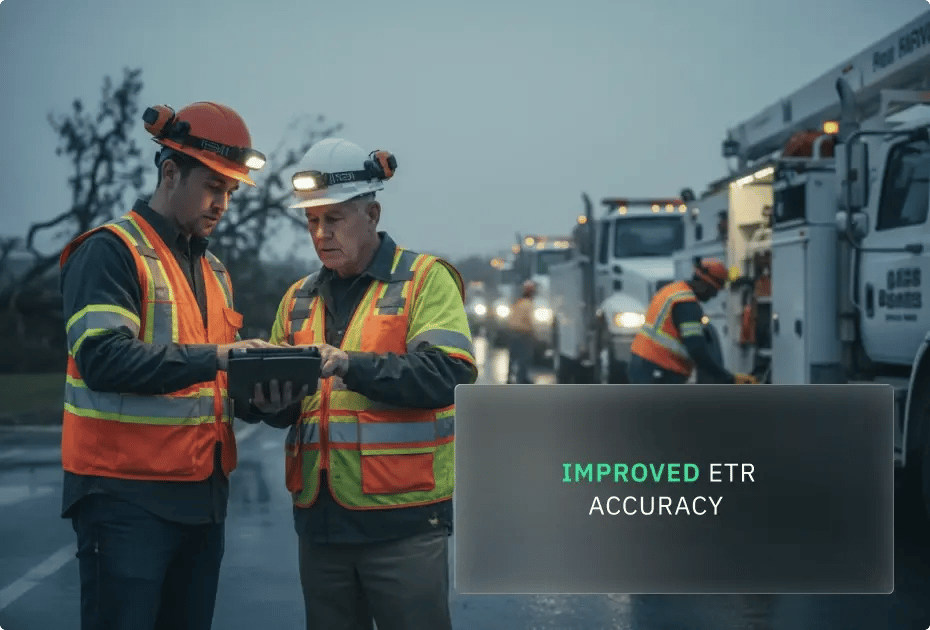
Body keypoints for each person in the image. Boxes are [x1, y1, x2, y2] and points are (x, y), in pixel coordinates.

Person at [59, 101, 276, 630]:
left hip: (202, 499)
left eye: (229, 191)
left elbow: (212, 387)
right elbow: (103, 360)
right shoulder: (112, 251)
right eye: (212, 187)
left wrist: (267, 393)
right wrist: (223, 355)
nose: (222, 203)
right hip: (124, 499)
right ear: (170, 171)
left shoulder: (215, 271)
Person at [250, 138, 478, 630]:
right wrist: (268, 401)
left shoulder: (425, 279)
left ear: (371, 214)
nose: (320, 233)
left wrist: (351, 363)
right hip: (320, 525)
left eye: (334, 219)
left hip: (405, 524)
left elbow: (449, 375)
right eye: (312, 221)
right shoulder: (297, 298)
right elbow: (295, 410)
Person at [627, 258, 757, 385]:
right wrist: (727, 378)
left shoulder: (673, 290)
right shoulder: (687, 305)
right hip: (659, 368)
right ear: (706, 284)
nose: (714, 296)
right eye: (714, 290)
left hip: (643, 363)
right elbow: (696, 348)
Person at [507, 279, 537, 384]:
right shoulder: (528, 304)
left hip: (513, 332)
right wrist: (535, 333)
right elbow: (530, 320)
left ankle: (509, 378)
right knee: (524, 357)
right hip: (524, 334)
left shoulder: (518, 302)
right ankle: (522, 379)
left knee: (513, 357)